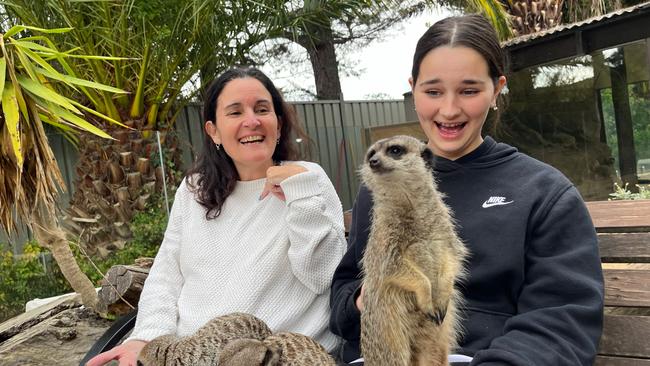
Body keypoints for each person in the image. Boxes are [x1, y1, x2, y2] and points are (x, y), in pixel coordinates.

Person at [329, 14, 604, 366]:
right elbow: (344, 298)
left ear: (496, 90)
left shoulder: (543, 193)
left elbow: (562, 323)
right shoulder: (383, 187)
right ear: (413, 90)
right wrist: (367, 300)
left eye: (469, 90)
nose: (449, 109)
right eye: (432, 91)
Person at [87, 66, 347, 366]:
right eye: (235, 112)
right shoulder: (195, 189)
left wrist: (300, 194)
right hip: (189, 356)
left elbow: (324, 277)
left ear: (277, 122)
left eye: (262, 109)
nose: (252, 121)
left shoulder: (307, 179)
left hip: (275, 357)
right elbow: (168, 273)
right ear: (214, 131)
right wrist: (147, 337)